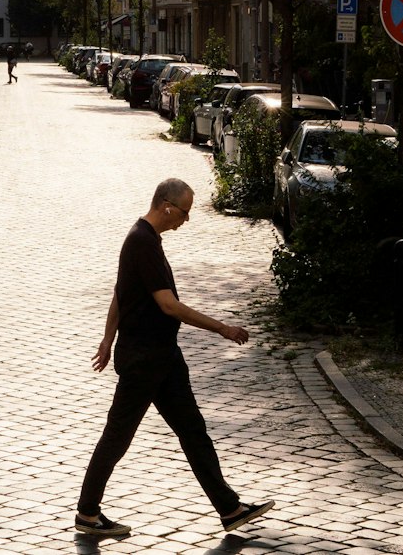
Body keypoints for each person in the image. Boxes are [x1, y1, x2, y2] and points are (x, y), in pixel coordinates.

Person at [75, 178, 272, 539]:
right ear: (167, 206)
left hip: (163, 358)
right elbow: (167, 305)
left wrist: (107, 339)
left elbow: (122, 295)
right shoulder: (141, 242)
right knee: (117, 436)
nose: (186, 219)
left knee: (193, 432)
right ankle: (87, 513)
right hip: (144, 359)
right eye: (185, 212)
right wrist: (222, 328)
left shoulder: (147, 240)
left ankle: (229, 509)